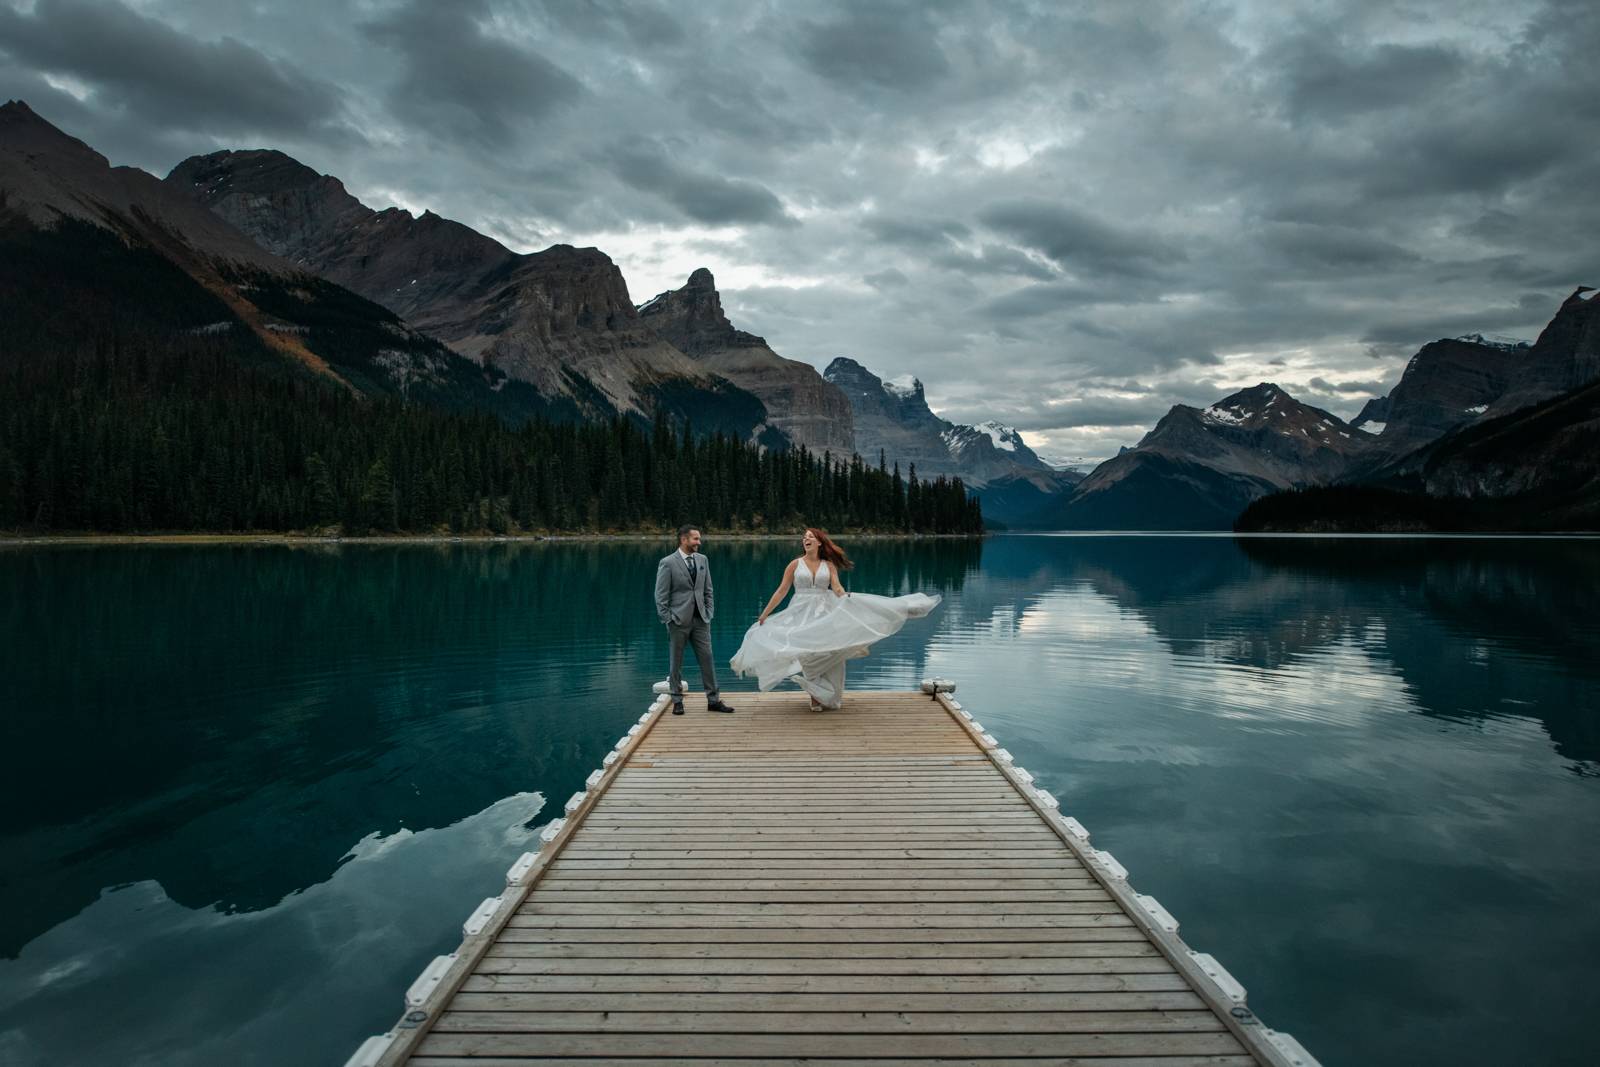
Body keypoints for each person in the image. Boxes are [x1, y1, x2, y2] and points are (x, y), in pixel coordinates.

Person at [730, 528, 940, 711]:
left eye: (810, 537)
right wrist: (765, 613)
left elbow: (837, 588)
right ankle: (815, 695)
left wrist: (848, 599)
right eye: (804, 537)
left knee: (829, 650)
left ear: (819, 542)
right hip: (800, 612)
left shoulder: (828, 564)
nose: (806, 539)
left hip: (824, 611)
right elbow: (782, 590)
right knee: (807, 654)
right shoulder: (794, 564)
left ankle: (826, 694)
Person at [655, 524, 735, 715]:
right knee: (676, 662)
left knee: (707, 659)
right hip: (678, 621)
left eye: (699, 539)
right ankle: (677, 700)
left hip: (701, 619)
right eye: (696, 539)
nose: (699, 542)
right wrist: (668, 618)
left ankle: (713, 700)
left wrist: (709, 612)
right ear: (684, 540)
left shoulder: (702, 560)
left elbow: (708, 589)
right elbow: (660, 595)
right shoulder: (667, 562)